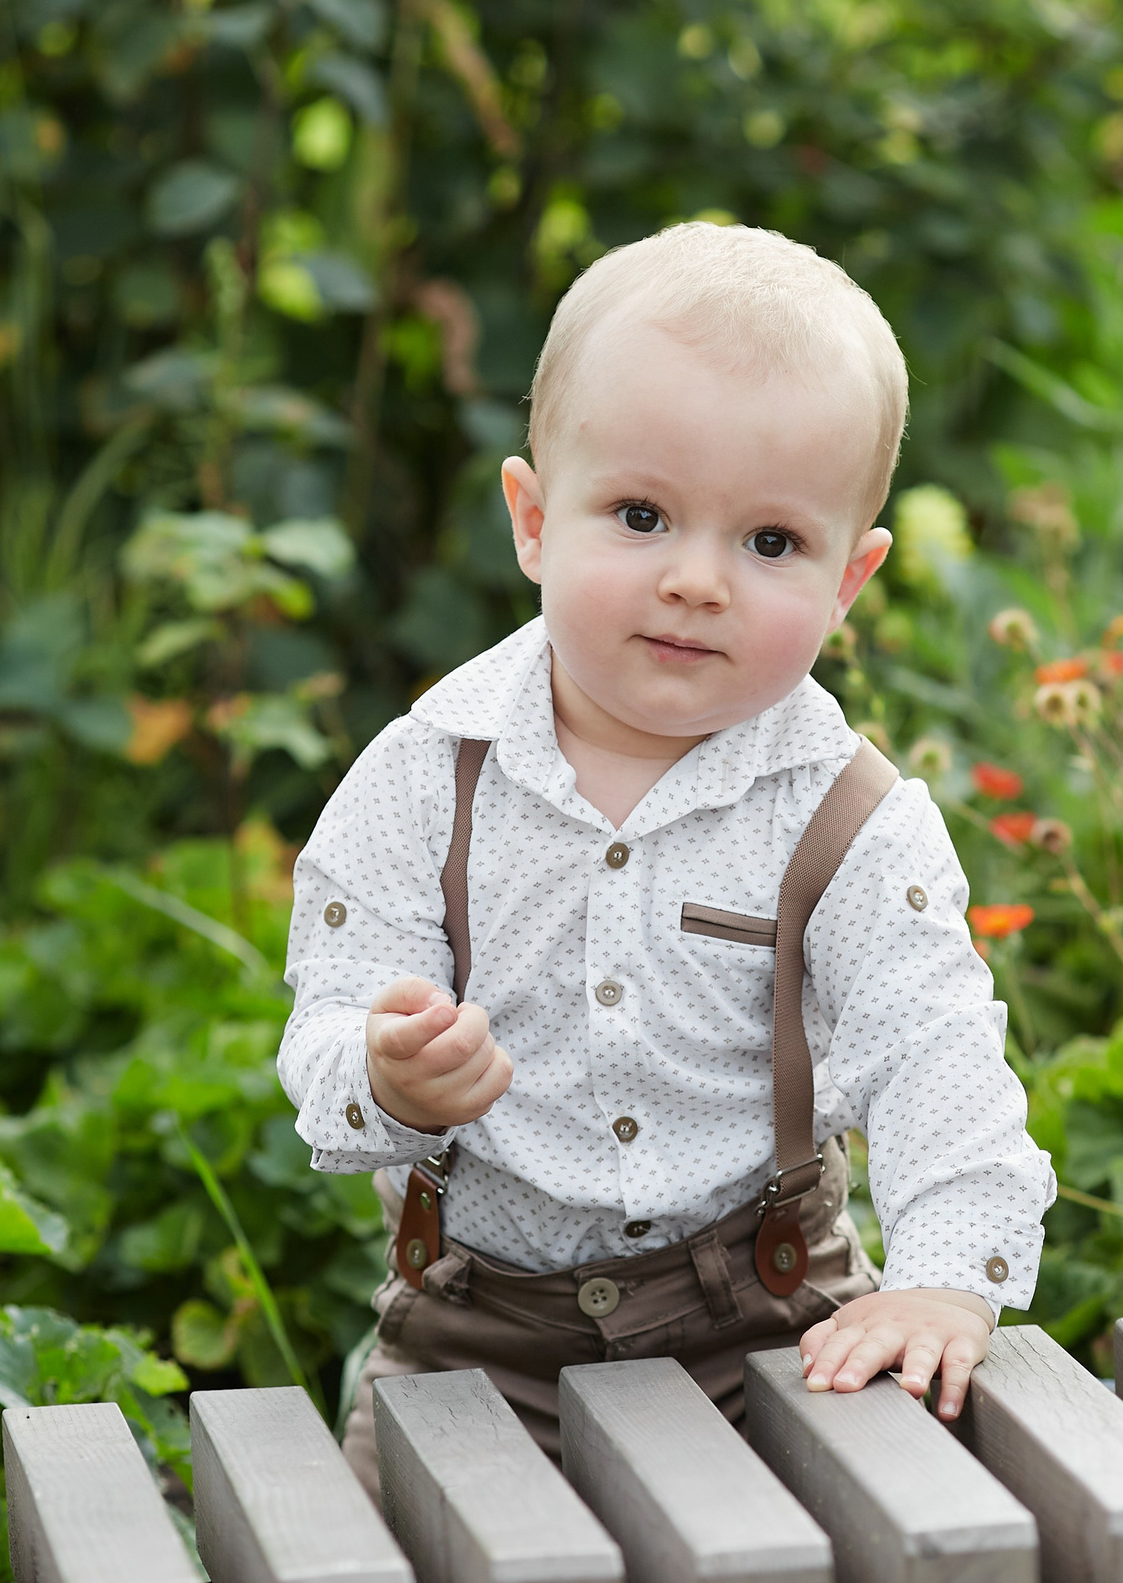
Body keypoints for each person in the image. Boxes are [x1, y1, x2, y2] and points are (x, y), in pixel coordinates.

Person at [279, 220, 1055, 1494]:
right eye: (641, 516)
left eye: (769, 544)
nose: (697, 581)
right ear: (533, 521)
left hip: (769, 1325)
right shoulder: (430, 774)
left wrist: (941, 1283)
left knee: (879, 1520)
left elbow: (935, 1056)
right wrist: (387, 1071)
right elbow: (330, 1014)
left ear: (850, 578)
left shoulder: (848, 820)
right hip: (474, 1336)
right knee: (377, 1540)